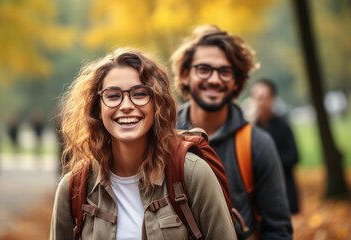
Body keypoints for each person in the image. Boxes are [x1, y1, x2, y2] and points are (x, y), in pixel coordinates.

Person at [50, 48, 236, 239]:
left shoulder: (193, 173)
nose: (126, 106)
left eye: (139, 94)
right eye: (113, 96)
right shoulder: (74, 189)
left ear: (157, 103)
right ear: (98, 108)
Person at [171, 25, 292, 239]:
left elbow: (278, 229)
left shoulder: (257, 144)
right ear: (184, 75)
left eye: (225, 71)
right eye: (204, 69)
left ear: (237, 81)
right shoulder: (161, 137)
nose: (215, 79)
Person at [250, 79, 300, 214]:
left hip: (284, 190)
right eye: (258, 97)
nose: (261, 102)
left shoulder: (283, 126)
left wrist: (267, 161)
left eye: (265, 97)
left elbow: (294, 157)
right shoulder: (248, 130)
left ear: (273, 99)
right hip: (259, 195)